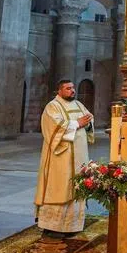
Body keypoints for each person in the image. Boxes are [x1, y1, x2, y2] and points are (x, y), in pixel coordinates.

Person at [36, 80, 93, 239]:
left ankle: (73, 225)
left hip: (80, 157)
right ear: (59, 91)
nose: (72, 91)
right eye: (68, 88)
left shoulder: (79, 105)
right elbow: (53, 128)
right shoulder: (52, 106)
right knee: (60, 187)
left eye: (73, 88)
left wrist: (88, 123)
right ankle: (53, 227)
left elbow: (88, 120)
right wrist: (77, 123)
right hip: (61, 158)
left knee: (77, 187)